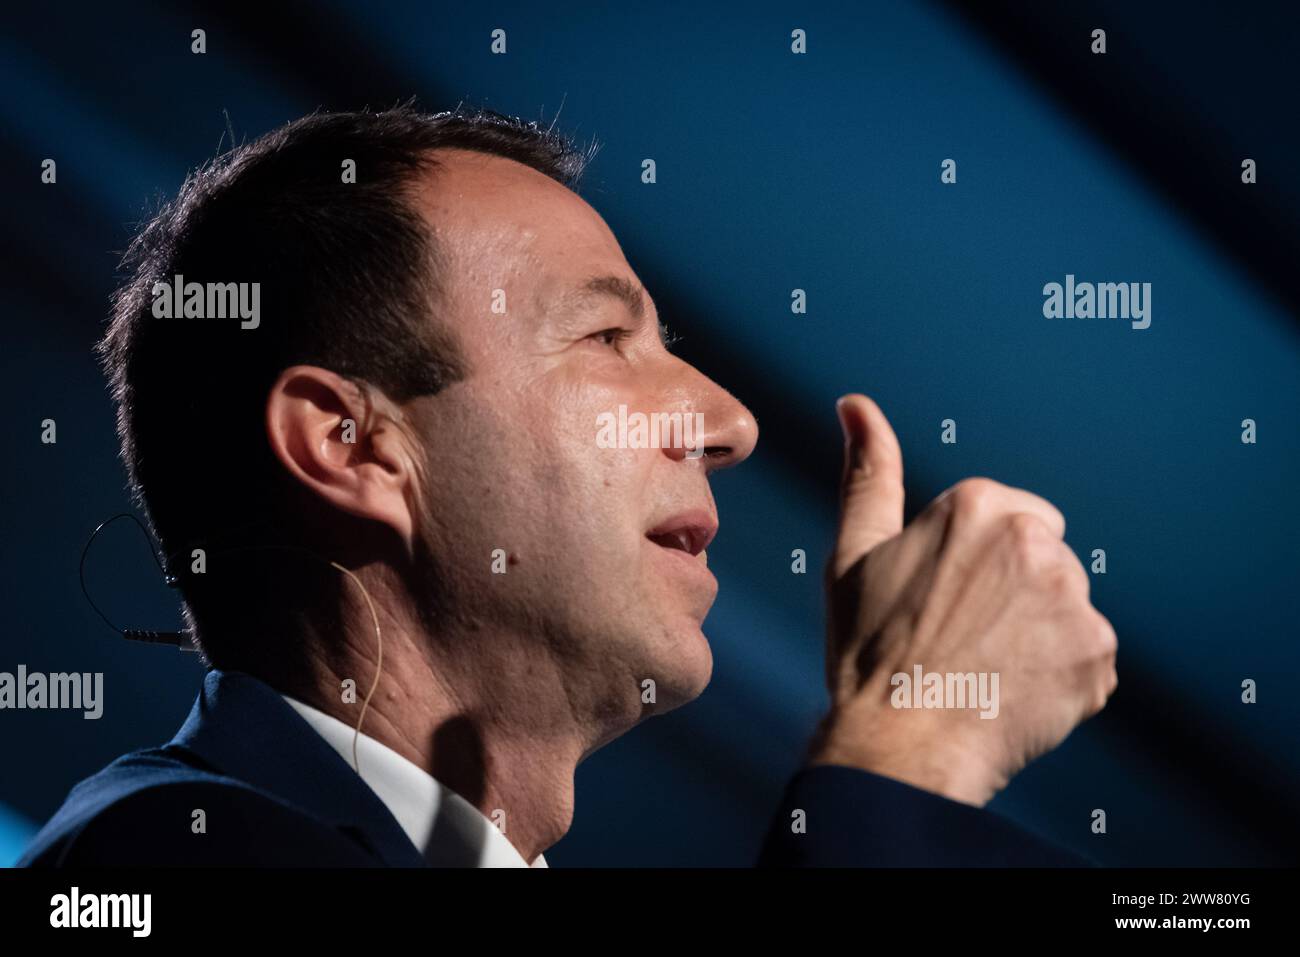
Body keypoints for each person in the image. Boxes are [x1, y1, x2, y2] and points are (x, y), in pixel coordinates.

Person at [20, 106, 1116, 867]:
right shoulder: (159, 855)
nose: (727, 424)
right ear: (350, 442)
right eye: (606, 335)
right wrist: (908, 754)